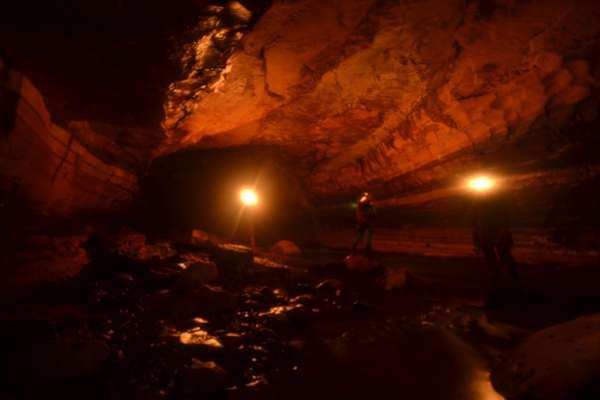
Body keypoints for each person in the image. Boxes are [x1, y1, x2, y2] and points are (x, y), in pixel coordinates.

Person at [471, 193, 521, 306]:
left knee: (505, 257)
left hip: (495, 231)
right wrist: (477, 238)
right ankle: (497, 283)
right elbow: (475, 222)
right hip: (486, 233)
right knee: (492, 259)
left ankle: (511, 283)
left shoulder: (497, 204)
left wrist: (502, 232)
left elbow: (504, 219)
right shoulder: (478, 205)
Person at [352, 192, 375, 256]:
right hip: (361, 224)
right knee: (358, 238)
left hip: (366, 225)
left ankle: (367, 253)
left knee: (367, 240)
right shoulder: (360, 207)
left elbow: (373, 214)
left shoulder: (368, 207)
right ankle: (353, 252)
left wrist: (371, 205)